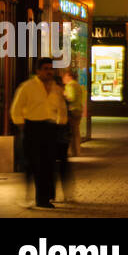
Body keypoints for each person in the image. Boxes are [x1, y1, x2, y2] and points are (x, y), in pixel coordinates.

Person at [10, 57, 58, 208]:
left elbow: (59, 108)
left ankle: (45, 196)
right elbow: (16, 108)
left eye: (51, 68)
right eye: (45, 69)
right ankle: (41, 199)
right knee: (36, 164)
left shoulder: (55, 88)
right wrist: (22, 125)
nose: (49, 72)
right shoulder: (27, 87)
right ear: (38, 71)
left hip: (50, 127)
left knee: (48, 163)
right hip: (32, 128)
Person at [47, 74, 74, 203]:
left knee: (55, 164)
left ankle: (55, 194)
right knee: (60, 164)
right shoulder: (60, 96)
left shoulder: (57, 96)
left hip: (58, 133)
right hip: (59, 134)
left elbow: (64, 117)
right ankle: (63, 193)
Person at [62, 70, 86, 157]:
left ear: (69, 76)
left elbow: (71, 98)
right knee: (76, 132)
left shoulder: (70, 85)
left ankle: (74, 152)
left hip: (72, 110)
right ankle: (77, 151)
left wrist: (64, 95)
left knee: (72, 132)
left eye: (64, 77)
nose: (63, 79)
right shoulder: (77, 85)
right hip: (78, 109)